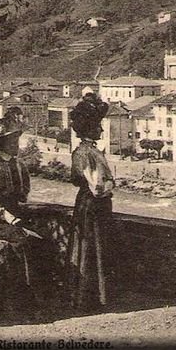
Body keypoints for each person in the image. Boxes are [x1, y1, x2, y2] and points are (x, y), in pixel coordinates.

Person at [0, 114, 52, 303]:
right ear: (2, 145)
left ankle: (43, 291)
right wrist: (9, 217)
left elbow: (24, 190)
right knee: (21, 243)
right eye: (12, 143)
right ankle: (22, 294)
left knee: (44, 238)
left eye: (16, 142)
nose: (16, 146)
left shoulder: (18, 165)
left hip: (17, 214)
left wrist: (22, 208)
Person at [67, 93, 114, 311]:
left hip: (90, 204)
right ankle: (91, 299)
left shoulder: (87, 150)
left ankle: (92, 298)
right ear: (90, 128)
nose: (102, 130)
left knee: (94, 249)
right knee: (91, 248)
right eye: (98, 126)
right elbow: (97, 186)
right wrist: (110, 186)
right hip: (93, 206)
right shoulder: (86, 153)